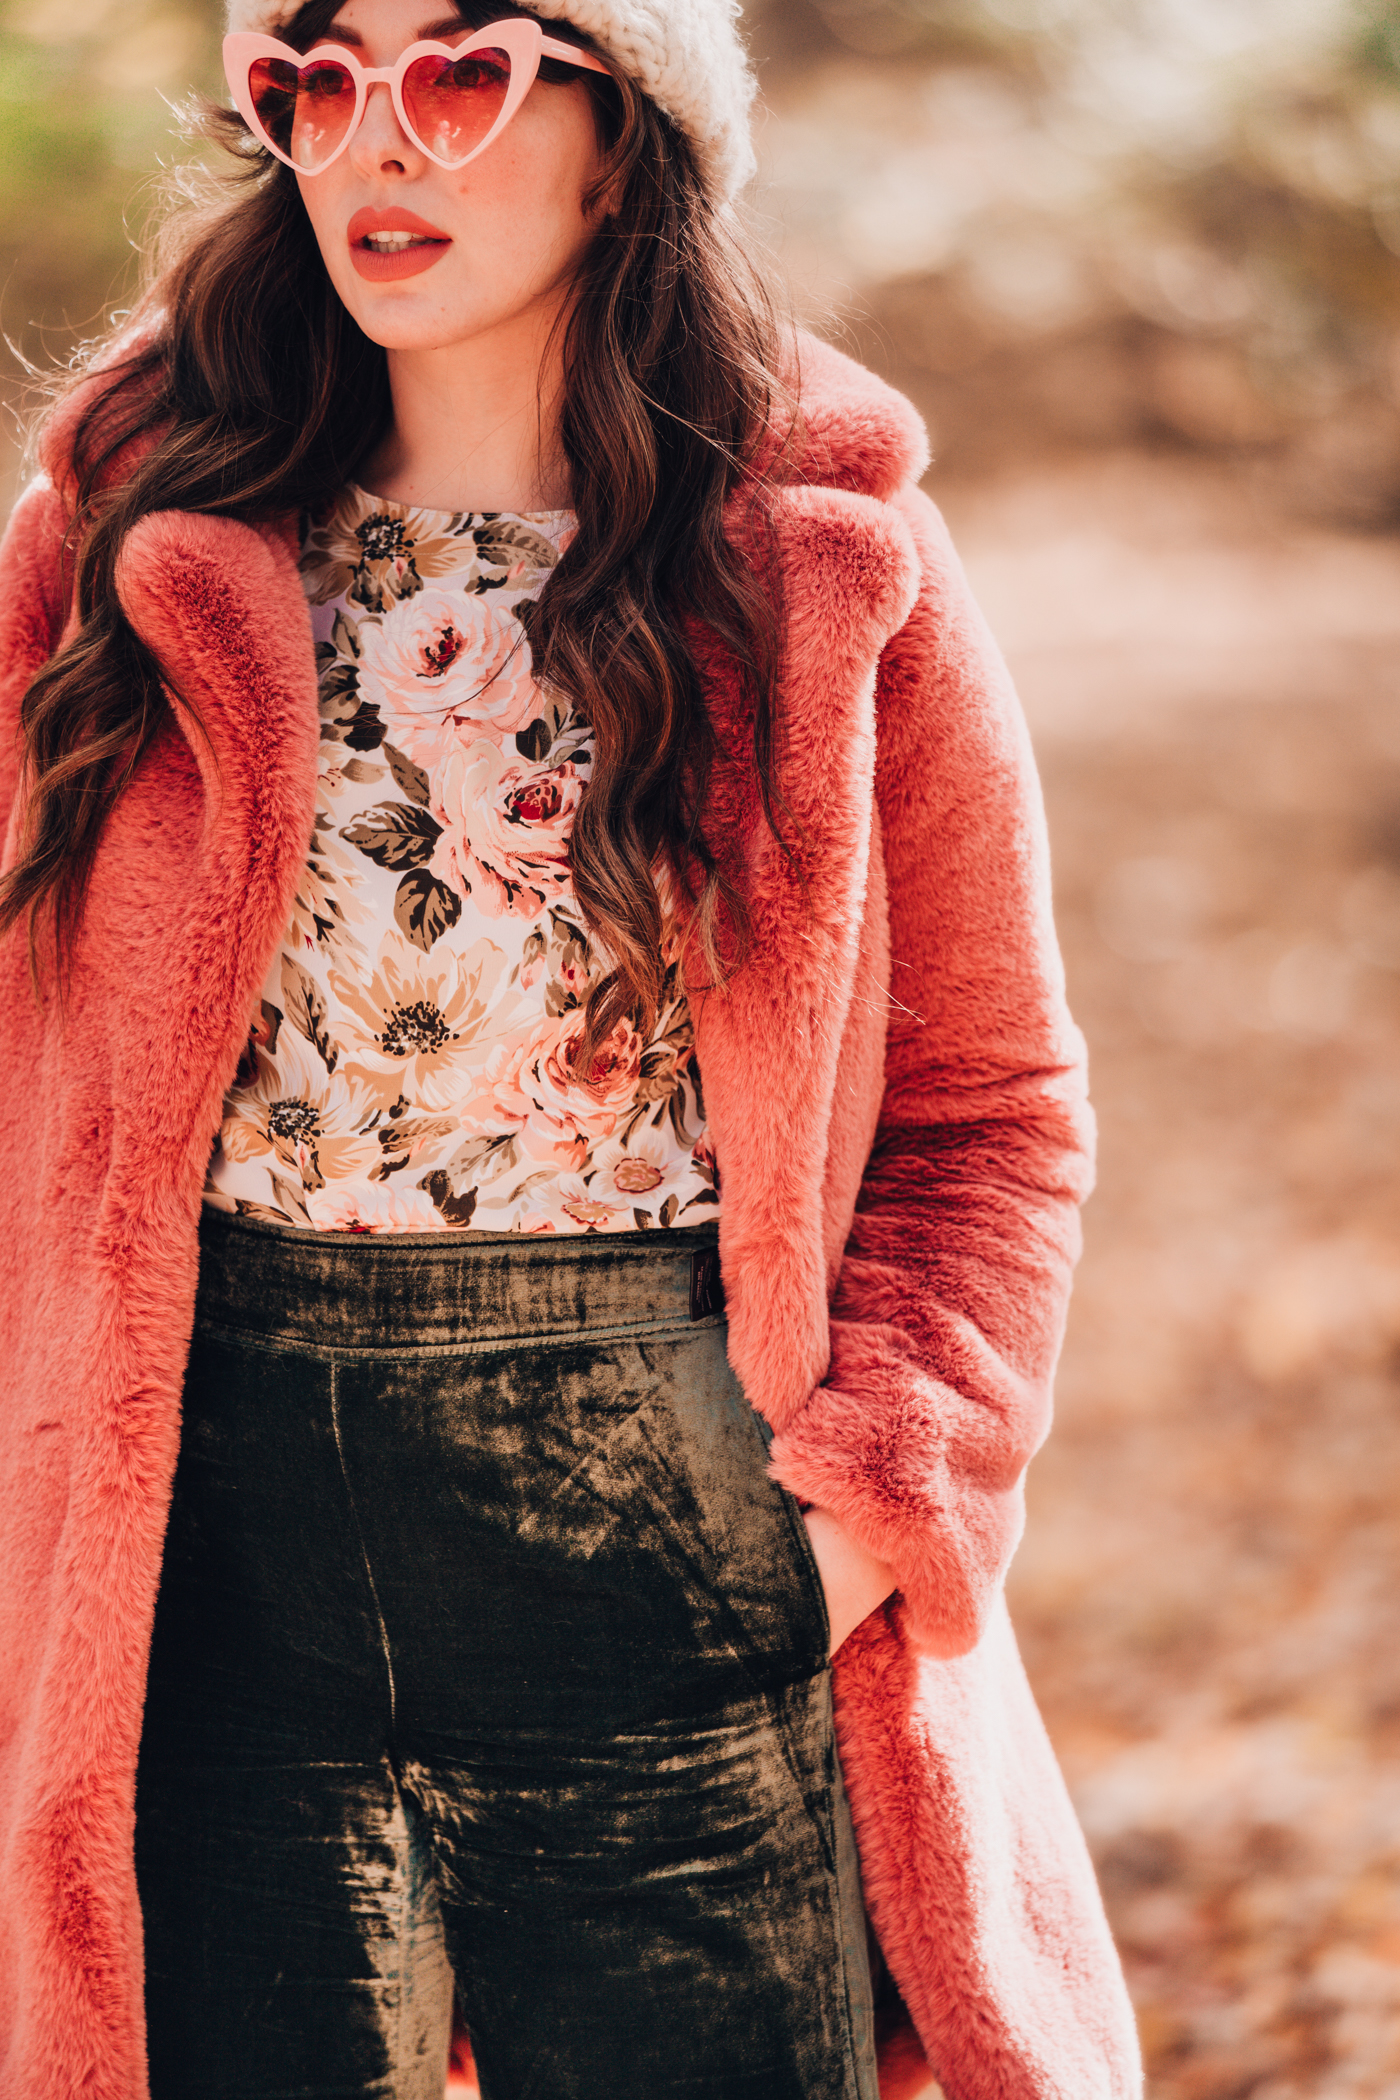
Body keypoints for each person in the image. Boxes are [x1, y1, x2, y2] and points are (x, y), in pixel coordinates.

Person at [0, 1, 1141, 2095]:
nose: (373, 142)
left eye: (457, 71)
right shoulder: (128, 533)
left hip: (667, 1533)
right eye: (312, 80)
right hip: (208, 1560)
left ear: (626, 135)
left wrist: (867, 1521)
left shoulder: (821, 561)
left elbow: (992, 1106)